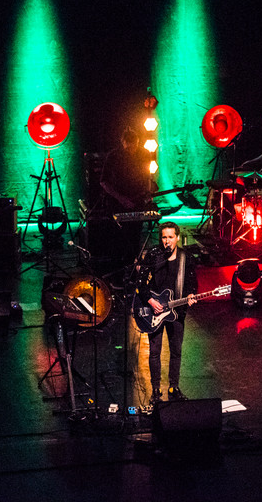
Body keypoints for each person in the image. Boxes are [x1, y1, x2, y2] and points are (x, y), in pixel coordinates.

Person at [136, 221, 197, 406]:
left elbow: (192, 282)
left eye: (171, 237)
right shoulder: (154, 255)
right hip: (155, 311)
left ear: (177, 238)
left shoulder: (187, 258)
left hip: (177, 310)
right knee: (154, 352)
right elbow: (140, 283)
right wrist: (150, 300)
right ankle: (156, 390)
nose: (167, 241)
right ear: (159, 238)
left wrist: (192, 295)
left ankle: (174, 387)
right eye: (164, 237)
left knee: (176, 351)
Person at [99, 128, 152, 263]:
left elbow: (147, 176)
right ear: (123, 143)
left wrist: (148, 191)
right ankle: (117, 268)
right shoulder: (113, 156)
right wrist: (121, 198)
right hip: (117, 203)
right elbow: (103, 181)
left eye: (134, 146)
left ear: (138, 142)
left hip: (137, 202)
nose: (132, 150)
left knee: (135, 237)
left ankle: (132, 266)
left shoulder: (144, 154)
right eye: (129, 147)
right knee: (118, 239)